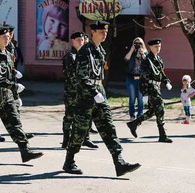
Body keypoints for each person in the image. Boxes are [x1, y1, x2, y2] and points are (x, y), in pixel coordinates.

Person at [63, 20, 141, 177]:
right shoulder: (85, 51)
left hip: (99, 92)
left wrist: (100, 92)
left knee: (108, 127)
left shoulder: (100, 51)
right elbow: (80, 76)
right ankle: (69, 161)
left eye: (105, 32)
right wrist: (93, 92)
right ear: (93, 33)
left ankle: (119, 163)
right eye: (101, 32)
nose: (104, 34)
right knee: (80, 130)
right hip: (86, 96)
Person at [0, 26, 43, 164]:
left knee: (15, 122)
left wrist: (14, 93)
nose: (7, 38)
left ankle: (25, 151)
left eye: (8, 36)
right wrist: (13, 86)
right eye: (4, 37)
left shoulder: (8, 54)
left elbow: (9, 73)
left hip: (7, 96)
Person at [126, 38, 173, 143]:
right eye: (156, 46)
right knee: (160, 108)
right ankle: (162, 135)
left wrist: (167, 82)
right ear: (150, 47)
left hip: (157, 87)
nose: (158, 48)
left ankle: (133, 124)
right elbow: (143, 78)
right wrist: (145, 93)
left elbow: (162, 73)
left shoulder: (159, 59)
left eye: (159, 46)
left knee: (153, 111)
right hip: (151, 88)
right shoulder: (147, 60)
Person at [61, 31, 98, 149]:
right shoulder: (70, 56)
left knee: (86, 115)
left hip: (84, 91)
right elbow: (72, 75)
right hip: (72, 92)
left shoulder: (85, 54)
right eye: (78, 40)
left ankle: (86, 139)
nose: (81, 42)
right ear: (73, 41)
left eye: (82, 40)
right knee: (70, 116)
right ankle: (66, 140)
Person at [124, 37, 147, 121]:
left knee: (140, 99)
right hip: (131, 79)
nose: (138, 45)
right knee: (132, 98)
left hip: (141, 79)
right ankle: (132, 116)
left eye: (139, 43)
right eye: (136, 43)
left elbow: (147, 63)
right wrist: (131, 50)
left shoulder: (145, 53)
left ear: (142, 44)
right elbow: (126, 59)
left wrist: (143, 54)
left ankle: (140, 115)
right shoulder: (132, 53)